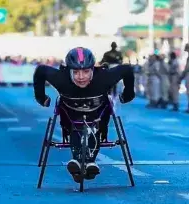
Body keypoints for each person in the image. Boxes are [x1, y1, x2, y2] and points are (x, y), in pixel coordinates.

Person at [33, 47, 135, 183]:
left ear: (93, 69)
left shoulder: (104, 78)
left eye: (86, 71)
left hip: (98, 116)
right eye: (75, 72)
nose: (81, 77)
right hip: (70, 117)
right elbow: (40, 71)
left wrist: (128, 94)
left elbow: (127, 69)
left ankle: (84, 163)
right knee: (77, 126)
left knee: (92, 127)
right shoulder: (61, 79)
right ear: (68, 70)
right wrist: (41, 97)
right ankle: (83, 163)